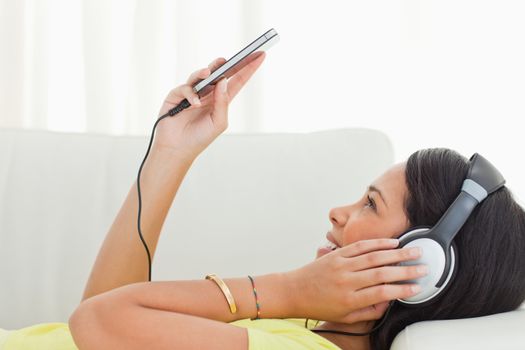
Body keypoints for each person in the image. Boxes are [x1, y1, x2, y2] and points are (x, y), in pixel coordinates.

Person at [1, 52, 524, 350]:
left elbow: (98, 322)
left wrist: (288, 289)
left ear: (420, 264)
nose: (338, 213)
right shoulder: (304, 325)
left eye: (370, 205)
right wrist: (170, 154)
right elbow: (90, 324)